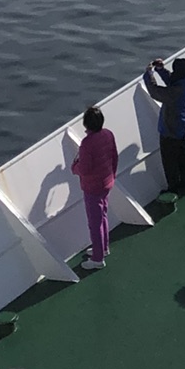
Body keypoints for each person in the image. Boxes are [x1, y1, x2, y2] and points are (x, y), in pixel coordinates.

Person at [70, 105, 118, 269]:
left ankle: (98, 259)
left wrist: (74, 168)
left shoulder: (87, 144)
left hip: (93, 188)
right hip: (107, 183)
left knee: (94, 222)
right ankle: (103, 248)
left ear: (86, 125)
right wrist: (113, 175)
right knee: (102, 216)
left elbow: (84, 169)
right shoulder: (108, 134)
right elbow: (114, 157)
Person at [143, 57, 185, 193]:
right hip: (180, 126)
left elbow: (155, 92)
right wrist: (161, 70)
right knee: (182, 155)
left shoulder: (175, 92)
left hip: (170, 128)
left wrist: (149, 75)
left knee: (169, 160)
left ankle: (173, 188)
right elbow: (172, 79)